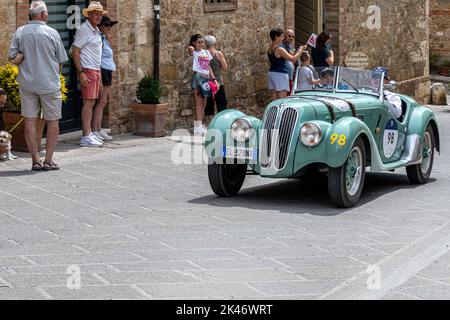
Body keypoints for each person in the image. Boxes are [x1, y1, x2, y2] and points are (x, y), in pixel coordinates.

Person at [8, 0, 68, 171]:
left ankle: (35, 160)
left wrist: (23, 57)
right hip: (49, 83)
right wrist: (57, 77)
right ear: (43, 15)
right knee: (53, 121)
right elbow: (61, 60)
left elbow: (12, 56)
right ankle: (48, 160)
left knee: (30, 121)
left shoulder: (20, 32)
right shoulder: (52, 33)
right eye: (47, 12)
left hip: (27, 83)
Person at [72, 1, 107, 147]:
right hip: (87, 70)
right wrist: (81, 72)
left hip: (95, 69)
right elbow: (75, 51)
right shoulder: (84, 29)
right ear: (89, 15)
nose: (98, 17)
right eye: (96, 14)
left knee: (92, 102)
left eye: (100, 14)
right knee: (88, 103)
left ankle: (89, 133)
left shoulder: (94, 29)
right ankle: (86, 136)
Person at [92, 15, 118, 142]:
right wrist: (100, 76)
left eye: (110, 25)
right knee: (101, 102)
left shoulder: (104, 39)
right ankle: (95, 130)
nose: (109, 28)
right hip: (103, 70)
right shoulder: (99, 40)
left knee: (103, 102)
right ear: (100, 26)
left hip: (107, 70)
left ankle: (98, 128)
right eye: (106, 25)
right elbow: (97, 57)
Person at [188, 34, 218, 135]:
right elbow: (190, 50)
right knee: (198, 103)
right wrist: (191, 47)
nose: (201, 44)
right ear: (194, 42)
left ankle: (199, 125)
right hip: (198, 78)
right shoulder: (194, 52)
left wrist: (213, 79)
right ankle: (198, 127)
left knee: (204, 103)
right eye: (198, 42)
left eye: (202, 42)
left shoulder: (206, 52)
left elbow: (208, 67)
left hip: (206, 79)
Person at [267, 28, 306, 101]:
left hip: (272, 73)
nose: (282, 38)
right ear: (276, 37)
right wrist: (301, 50)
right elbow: (293, 59)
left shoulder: (269, 49)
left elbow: (269, 62)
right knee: (282, 101)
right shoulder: (279, 49)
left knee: (274, 100)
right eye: (281, 36)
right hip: (280, 75)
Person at [203, 35, 228, 120]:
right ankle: (221, 123)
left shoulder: (203, 54)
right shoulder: (218, 54)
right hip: (218, 82)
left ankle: (209, 124)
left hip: (206, 82)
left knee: (209, 105)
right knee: (221, 104)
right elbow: (225, 68)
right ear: (214, 43)